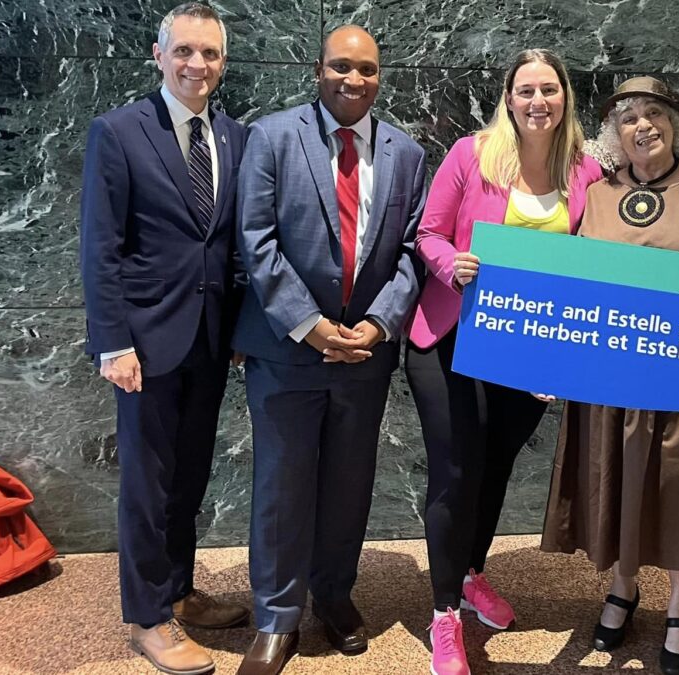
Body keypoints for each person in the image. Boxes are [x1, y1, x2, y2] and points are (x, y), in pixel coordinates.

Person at [231, 25, 426, 675]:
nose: (354, 79)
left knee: (349, 484)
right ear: (318, 70)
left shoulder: (407, 153)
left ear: (380, 76)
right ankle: (276, 617)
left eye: (366, 69)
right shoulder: (273, 136)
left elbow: (411, 252)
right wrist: (311, 325)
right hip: (288, 350)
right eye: (341, 66)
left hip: (364, 354)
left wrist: (378, 323)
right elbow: (256, 240)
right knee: (282, 485)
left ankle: (334, 594)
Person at [406, 48, 603, 675]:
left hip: (526, 355)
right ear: (509, 99)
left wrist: (567, 355)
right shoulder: (472, 154)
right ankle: (443, 617)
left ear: (565, 97)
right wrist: (449, 264)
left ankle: (469, 573)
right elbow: (428, 233)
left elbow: (592, 269)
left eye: (549, 89)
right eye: (525, 91)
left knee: (494, 469)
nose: (538, 101)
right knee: (457, 470)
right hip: (449, 338)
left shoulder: (588, 172)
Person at [540, 76, 679, 675]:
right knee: (613, 479)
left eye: (654, 114)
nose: (642, 126)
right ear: (614, 133)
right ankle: (622, 586)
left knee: (678, 486)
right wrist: (547, 358)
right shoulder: (596, 194)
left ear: (674, 124)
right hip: (608, 377)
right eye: (629, 118)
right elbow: (569, 286)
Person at [78, 4, 247, 673]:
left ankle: (178, 587)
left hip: (208, 341)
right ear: (158, 55)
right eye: (184, 51)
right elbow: (100, 247)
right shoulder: (118, 132)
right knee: (148, 486)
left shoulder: (234, 136)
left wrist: (237, 330)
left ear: (222, 63)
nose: (196, 65)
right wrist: (111, 341)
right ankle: (149, 615)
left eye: (209, 54)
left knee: (189, 477)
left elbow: (230, 243)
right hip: (143, 346)